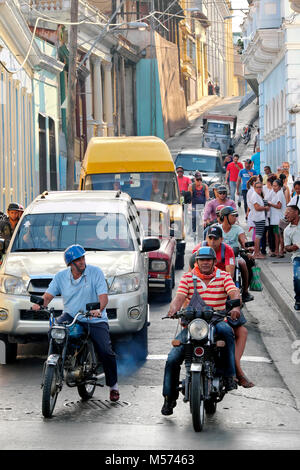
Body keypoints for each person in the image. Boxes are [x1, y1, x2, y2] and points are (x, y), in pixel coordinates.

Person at [32, 244, 120, 402]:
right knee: (54, 332)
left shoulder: (95, 272)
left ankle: (113, 385)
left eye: (82, 258)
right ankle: (56, 365)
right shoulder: (61, 277)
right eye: (77, 260)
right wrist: (40, 304)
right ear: (70, 264)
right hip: (71, 315)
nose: (81, 262)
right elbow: (48, 295)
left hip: (94, 317)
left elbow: (103, 298)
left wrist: (98, 309)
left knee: (106, 351)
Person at [161, 246, 241, 416]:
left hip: (216, 321)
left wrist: (236, 306)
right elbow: (179, 297)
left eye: (208, 260)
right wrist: (173, 309)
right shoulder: (189, 277)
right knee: (172, 358)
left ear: (213, 262)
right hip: (193, 325)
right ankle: (169, 398)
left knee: (227, 333)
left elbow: (234, 292)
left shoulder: (223, 276)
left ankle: (229, 375)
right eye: (202, 260)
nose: (205, 263)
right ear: (196, 262)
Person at [219, 206, 254, 303]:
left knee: (243, 263)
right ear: (225, 217)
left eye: (236, 216)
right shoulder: (217, 229)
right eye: (233, 216)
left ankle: (246, 291)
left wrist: (247, 248)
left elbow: (243, 240)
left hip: (234, 256)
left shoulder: (238, 229)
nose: (235, 218)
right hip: (220, 257)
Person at [283, 205, 300, 310]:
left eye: (288, 212)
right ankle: (298, 300)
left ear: (296, 212)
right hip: (298, 256)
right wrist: (293, 247)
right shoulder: (287, 230)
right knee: (297, 277)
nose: (285, 214)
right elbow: (286, 248)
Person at [267, 179, 286, 257]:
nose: (274, 187)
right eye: (273, 186)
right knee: (276, 235)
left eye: (275, 186)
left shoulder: (280, 193)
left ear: (280, 186)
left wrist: (270, 204)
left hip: (279, 218)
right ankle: (276, 251)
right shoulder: (275, 193)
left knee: (280, 235)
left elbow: (279, 206)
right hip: (275, 218)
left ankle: (281, 251)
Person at [250, 181, 269, 259]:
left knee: (258, 236)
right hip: (258, 218)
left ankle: (257, 253)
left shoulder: (258, 195)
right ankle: (257, 253)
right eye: (257, 187)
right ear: (254, 188)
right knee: (258, 236)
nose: (259, 189)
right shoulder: (255, 196)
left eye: (260, 187)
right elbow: (257, 207)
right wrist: (265, 208)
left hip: (260, 218)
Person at [188, 171, 209, 237]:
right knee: (194, 216)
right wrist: (190, 206)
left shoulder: (205, 186)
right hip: (194, 205)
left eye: (200, 180)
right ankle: (193, 231)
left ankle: (205, 232)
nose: (199, 181)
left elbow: (207, 197)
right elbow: (190, 198)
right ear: (195, 179)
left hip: (203, 205)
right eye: (197, 180)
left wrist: (207, 206)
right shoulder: (191, 186)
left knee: (206, 218)